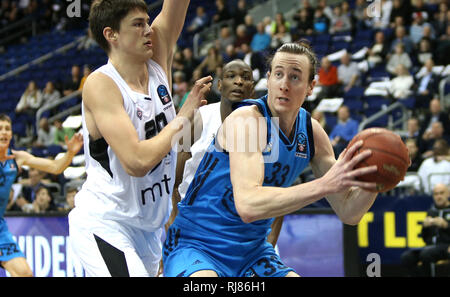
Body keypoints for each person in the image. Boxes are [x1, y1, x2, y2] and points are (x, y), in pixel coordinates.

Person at [163, 42, 380, 277]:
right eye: (278, 75)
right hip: (199, 244)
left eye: (295, 77)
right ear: (268, 79)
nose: (284, 85)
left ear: (311, 86)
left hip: (252, 252)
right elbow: (247, 205)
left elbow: (349, 211)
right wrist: (324, 185)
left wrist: (378, 180)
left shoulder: (312, 134)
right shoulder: (247, 120)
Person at [67, 0, 212, 277]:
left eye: (147, 21)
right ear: (112, 35)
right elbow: (137, 160)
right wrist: (183, 116)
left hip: (148, 229)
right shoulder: (102, 84)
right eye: (138, 24)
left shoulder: (156, 60)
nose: (148, 29)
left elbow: (175, 6)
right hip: (107, 223)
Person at [168, 60, 281, 248]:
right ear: (219, 85)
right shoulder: (198, 118)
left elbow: (277, 193)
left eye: (245, 77)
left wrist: (269, 245)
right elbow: (172, 183)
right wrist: (174, 236)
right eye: (231, 76)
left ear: (252, 88)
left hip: (247, 232)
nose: (238, 81)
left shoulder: (270, 127)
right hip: (196, 227)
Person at [0, 113, 83, 277]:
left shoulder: (17, 159)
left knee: (25, 274)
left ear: (11, 134)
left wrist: (70, 154)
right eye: (0, 129)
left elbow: (55, 167)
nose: (4, 132)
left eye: (7, 129)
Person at [400, 183, 450, 276]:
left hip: (446, 246)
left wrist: (446, 225)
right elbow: (424, 237)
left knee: (426, 254)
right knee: (407, 257)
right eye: (436, 194)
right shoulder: (431, 211)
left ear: (448, 194)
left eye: (441, 193)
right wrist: (425, 227)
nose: (438, 196)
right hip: (430, 247)